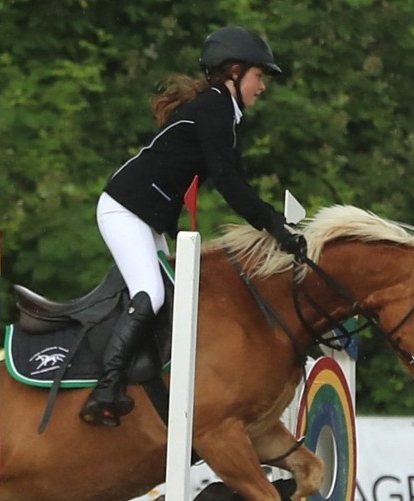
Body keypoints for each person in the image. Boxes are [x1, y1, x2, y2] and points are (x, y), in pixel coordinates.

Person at [81, 25, 307, 427]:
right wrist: (274, 224)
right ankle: (105, 388)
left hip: (147, 217)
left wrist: (272, 222)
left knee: (169, 299)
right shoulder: (215, 108)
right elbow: (230, 182)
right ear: (234, 72)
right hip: (123, 209)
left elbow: (233, 180)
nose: (263, 87)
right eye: (259, 76)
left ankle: (149, 386)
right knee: (149, 293)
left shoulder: (223, 110)